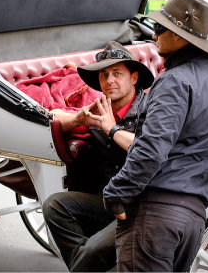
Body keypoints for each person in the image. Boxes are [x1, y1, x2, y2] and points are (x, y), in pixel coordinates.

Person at [103, 0, 208, 272]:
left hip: (156, 215)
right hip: (193, 218)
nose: (154, 36)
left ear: (180, 37)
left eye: (160, 29)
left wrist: (115, 193)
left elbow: (151, 150)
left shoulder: (174, 81)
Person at [43, 41, 154, 272]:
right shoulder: (100, 106)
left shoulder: (150, 109)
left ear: (134, 78)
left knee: (92, 251)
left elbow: (150, 148)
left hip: (141, 206)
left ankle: (86, 262)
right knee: (54, 205)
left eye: (116, 73)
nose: (109, 80)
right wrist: (78, 120)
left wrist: (112, 129)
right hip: (106, 199)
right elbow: (53, 116)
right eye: (104, 75)